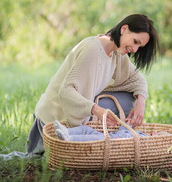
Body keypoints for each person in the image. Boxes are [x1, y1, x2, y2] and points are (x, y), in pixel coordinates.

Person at [26, 14, 159, 156]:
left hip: (76, 115)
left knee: (129, 99)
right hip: (52, 122)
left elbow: (137, 80)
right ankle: (85, 137)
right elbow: (65, 92)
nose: (135, 49)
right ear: (124, 29)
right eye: (135, 41)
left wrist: (141, 103)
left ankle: (99, 136)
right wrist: (96, 110)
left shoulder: (116, 53)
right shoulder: (93, 49)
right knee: (125, 102)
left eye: (140, 46)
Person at [52, 120, 170, 142]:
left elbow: (130, 146)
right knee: (87, 129)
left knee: (94, 139)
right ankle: (67, 130)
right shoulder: (141, 133)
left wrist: (121, 144)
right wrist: (127, 124)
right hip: (107, 135)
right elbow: (124, 130)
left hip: (111, 142)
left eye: (158, 135)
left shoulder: (143, 142)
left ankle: (70, 138)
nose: (155, 132)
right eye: (158, 131)